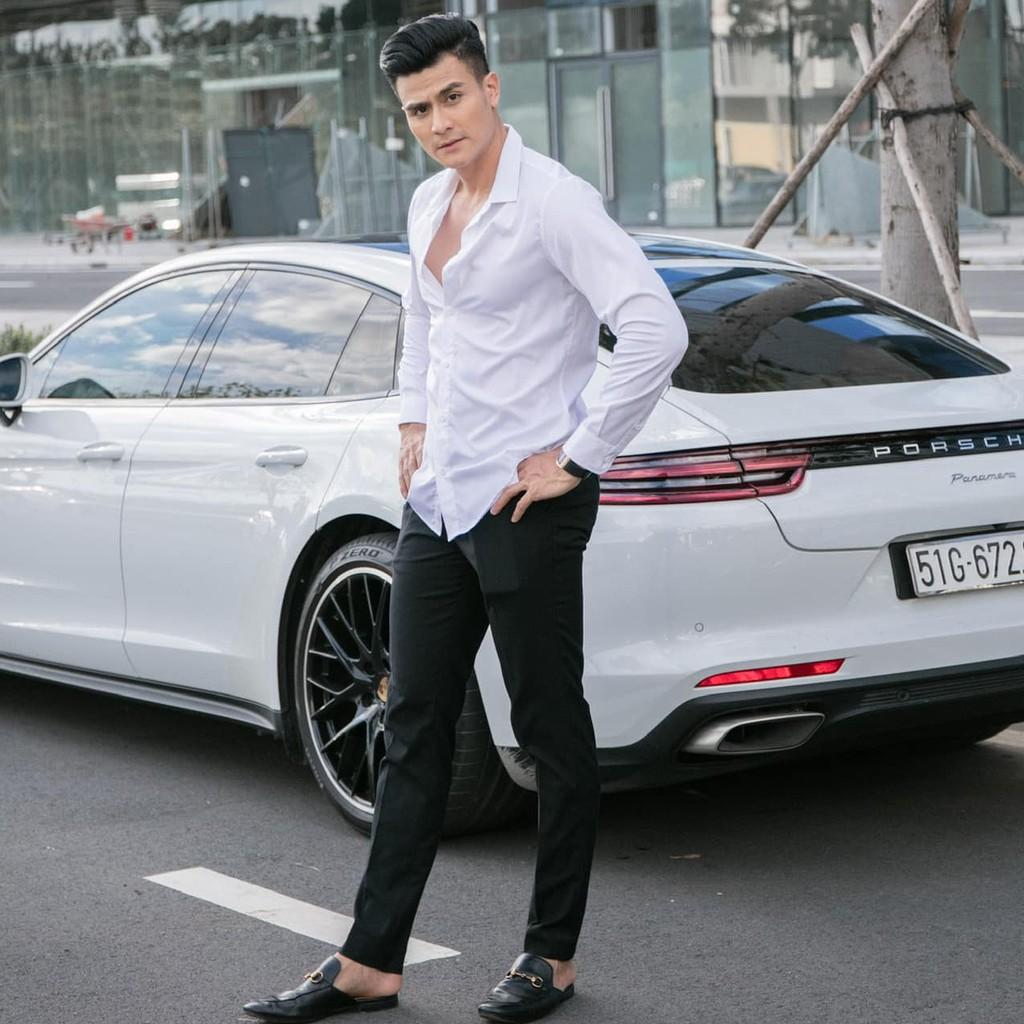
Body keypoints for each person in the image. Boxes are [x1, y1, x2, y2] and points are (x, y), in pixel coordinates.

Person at [242, 13, 687, 1024]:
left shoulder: (554, 203)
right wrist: (413, 418)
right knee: (413, 726)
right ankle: (370, 962)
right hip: (439, 499)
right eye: (416, 110)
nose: (437, 121)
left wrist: (578, 456)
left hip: (523, 503)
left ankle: (551, 955)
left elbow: (655, 328)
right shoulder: (428, 200)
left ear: (489, 87)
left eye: (450, 96)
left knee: (547, 726)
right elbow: (424, 318)